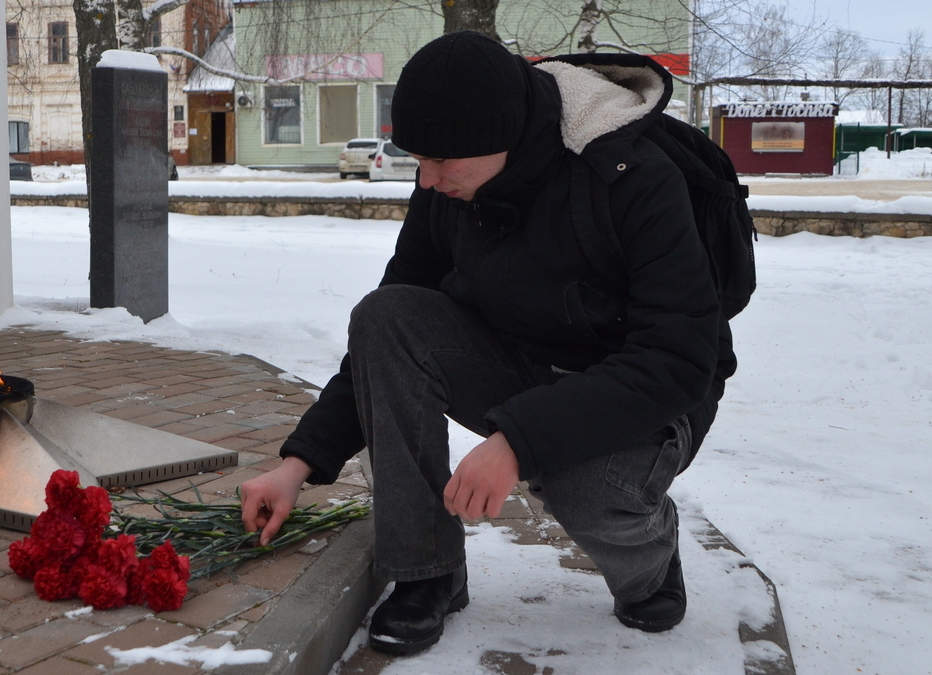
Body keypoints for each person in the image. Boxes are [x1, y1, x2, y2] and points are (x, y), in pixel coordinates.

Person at [239, 31, 733, 655]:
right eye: (417, 159)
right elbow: (387, 335)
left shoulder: (631, 175)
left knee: (586, 488)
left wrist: (519, 442)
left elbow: (678, 359)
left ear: (505, 137)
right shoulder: (451, 185)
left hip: (644, 392)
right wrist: (299, 464)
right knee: (386, 316)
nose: (426, 180)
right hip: (523, 359)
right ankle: (426, 572)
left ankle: (651, 564)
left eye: (442, 162)